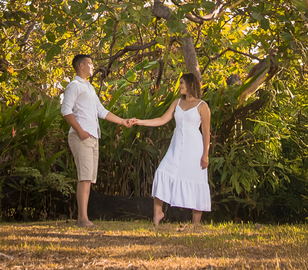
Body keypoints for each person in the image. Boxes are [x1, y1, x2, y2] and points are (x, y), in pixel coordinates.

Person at [60, 53, 134, 227]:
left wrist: (123, 121)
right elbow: (66, 110)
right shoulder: (74, 86)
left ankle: (82, 219)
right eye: (90, 64)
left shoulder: (90, 88)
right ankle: (83, 219)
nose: (93, 67)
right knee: (84, 178)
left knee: (88, 178)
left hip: (93, 136)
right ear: (81, 66)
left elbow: (101, 111)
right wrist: (81, 131)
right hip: (81, 136)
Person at [133, 72, 211, 226]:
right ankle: (158, 214)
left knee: (196, 181)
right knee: (162, 172)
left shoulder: (203, 106)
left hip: (194, 149)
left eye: (182, 82)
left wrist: (205, 155)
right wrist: (140, 122)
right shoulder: (177, 102)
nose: (180, 85)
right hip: (176, 148)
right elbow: (162, 119)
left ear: (190, 84)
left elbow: (206, 133)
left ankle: (196, 223)